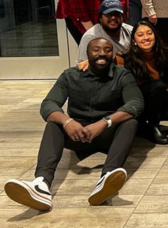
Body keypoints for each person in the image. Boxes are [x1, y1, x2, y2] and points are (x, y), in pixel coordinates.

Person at [4, 38, 144, 211]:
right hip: (76, 133)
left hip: (107, 133)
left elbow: (136, 103)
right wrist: (67, 121)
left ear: (113, 54)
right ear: (87, 53)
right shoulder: (70, 75)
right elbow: (48, 104)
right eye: (96, 50)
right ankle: (41, 184)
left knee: (130, 122)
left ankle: (106, 178)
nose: (102, 54)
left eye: (107, 50)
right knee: (53, 122)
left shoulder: (122, 75)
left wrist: (104, 122)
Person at [119, 20, 168, 145]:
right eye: (140, 35)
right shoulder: (128, 58)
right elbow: (110, 61)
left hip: (157, 96)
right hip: (137, 99)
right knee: (157, 86)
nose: (146, 37)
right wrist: (88, 62)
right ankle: (152, 125)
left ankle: (144, 124)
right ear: (134, 40)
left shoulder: (163, 53)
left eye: (149, 33)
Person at [77, 0, 133, 65]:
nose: (113, 17)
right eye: (109, 14)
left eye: (117, 14)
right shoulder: (91, 36)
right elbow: (82, 65)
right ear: (100, 18)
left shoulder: (130, 30)